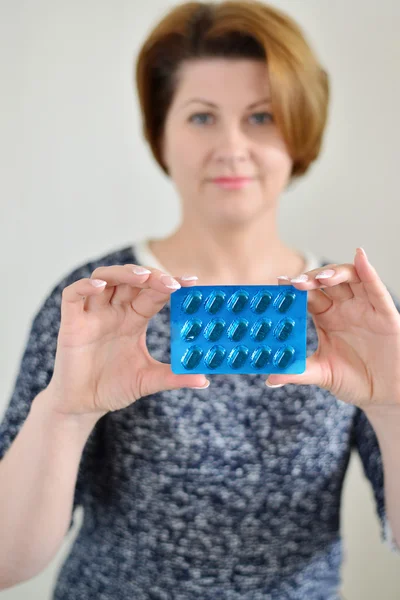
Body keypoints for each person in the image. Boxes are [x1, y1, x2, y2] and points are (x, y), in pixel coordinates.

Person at [0, 1, 399, 598]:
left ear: (301, 131)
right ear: (161, 132)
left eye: (262, 117)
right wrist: (65, 411)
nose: (232, 146)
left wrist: (393, 402)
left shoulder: (354, 312)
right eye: (202, 117)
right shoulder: (97, 303)